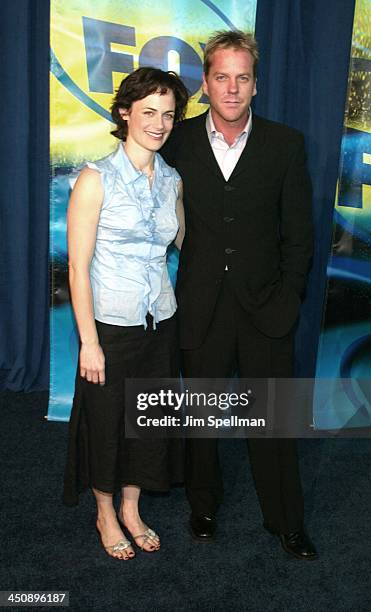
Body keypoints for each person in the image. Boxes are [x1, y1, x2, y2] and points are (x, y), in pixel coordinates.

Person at [161, 30, 318, 559]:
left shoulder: (285, 143)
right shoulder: (175, 140)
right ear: (205, 83)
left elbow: (300, 235)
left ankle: (286, 521)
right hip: (200, 306)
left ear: (256, 84)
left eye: (242, 78)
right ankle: (202, 506)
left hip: (266, 308)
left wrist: (288, 298)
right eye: (221, 77)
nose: (231, 88)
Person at [63, 67, 189, 560]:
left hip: (161, 319)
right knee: (107, 422)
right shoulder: (96, 179)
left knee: (148, 421)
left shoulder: (172, 180)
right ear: (125, 113)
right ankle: (105, 511)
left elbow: (182, 243)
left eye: (169, 115)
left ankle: (133, 508)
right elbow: (77, 266)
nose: (159, 124)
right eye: (149, 112)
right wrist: (89, 341)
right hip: (111, 325)